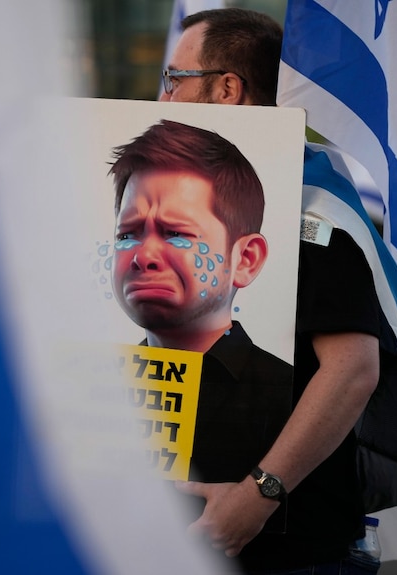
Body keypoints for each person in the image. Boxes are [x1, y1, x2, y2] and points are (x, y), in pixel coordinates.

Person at [160, 8, 380, 574]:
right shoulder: (188, 193)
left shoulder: (310, 200)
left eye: (172, 81)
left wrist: (254, 500)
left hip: (291, 550)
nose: (160, 100)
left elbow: (353, 369)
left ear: (227, 88)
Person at [109, 120, 294, 516]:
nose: (144, 255)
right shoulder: (93, 393)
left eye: (176, 233)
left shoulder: (296, 400)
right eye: (128, 234)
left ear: (245, 259)